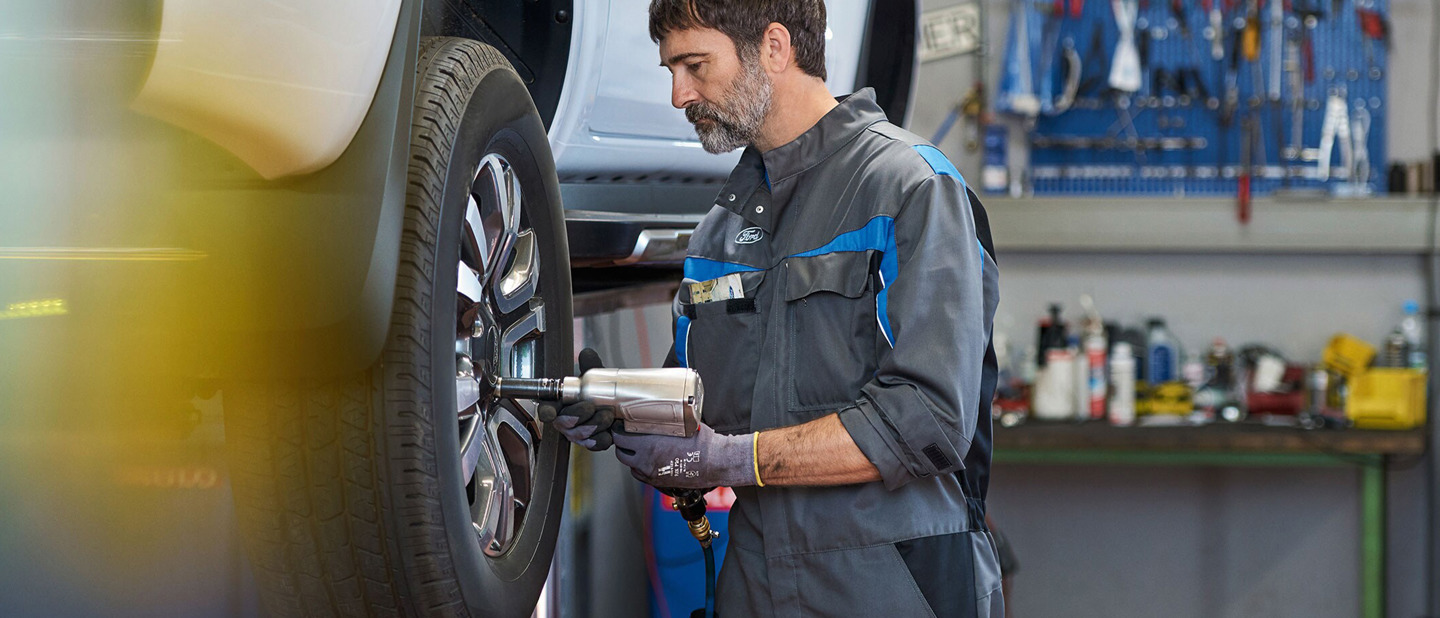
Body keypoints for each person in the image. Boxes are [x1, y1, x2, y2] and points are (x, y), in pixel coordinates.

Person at [539, 1, 1002, 615]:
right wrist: (623, 415)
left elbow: (928, 420)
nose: (679, 94)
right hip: (757, 591)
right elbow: (697, 420)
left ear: (775, 48)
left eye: (694, 65)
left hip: (895, 589)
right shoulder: (718, 235)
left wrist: (729, 458)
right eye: (670, 70)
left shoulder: (912, 188)